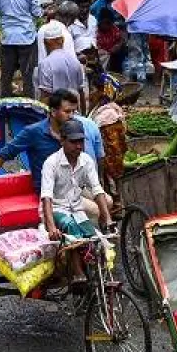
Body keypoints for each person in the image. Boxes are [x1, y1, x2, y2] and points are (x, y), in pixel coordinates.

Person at [40, 118, 112, 283]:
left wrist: (107, 217)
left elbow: (97, 190)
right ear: (62, 140)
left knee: (92, 236)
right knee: (71, 228)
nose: (78, 146)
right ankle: (78, 273)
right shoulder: (51, 163)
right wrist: (51, 227)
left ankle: (95, 276)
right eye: (73, 142)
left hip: (77, 208)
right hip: (56, 209)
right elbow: (47, 198)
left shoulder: (86, 161)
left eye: (81, 141)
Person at [0, 89, 80, 197]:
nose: (71, 116)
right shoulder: (33, 132)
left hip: (72, 185)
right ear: (53, 111)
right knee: (95, 210)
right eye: (67, 112)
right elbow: (4, 154)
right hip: (49, 192)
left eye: (73, 112)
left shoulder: (76, 128)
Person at [33, 20, 88, 111]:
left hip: (56, 115)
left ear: (45, 42)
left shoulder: (45, 64)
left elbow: (45, 96)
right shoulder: (75, 62)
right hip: (73, 113)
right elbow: (81, 93)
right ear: (62, 40)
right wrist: (84, 116)